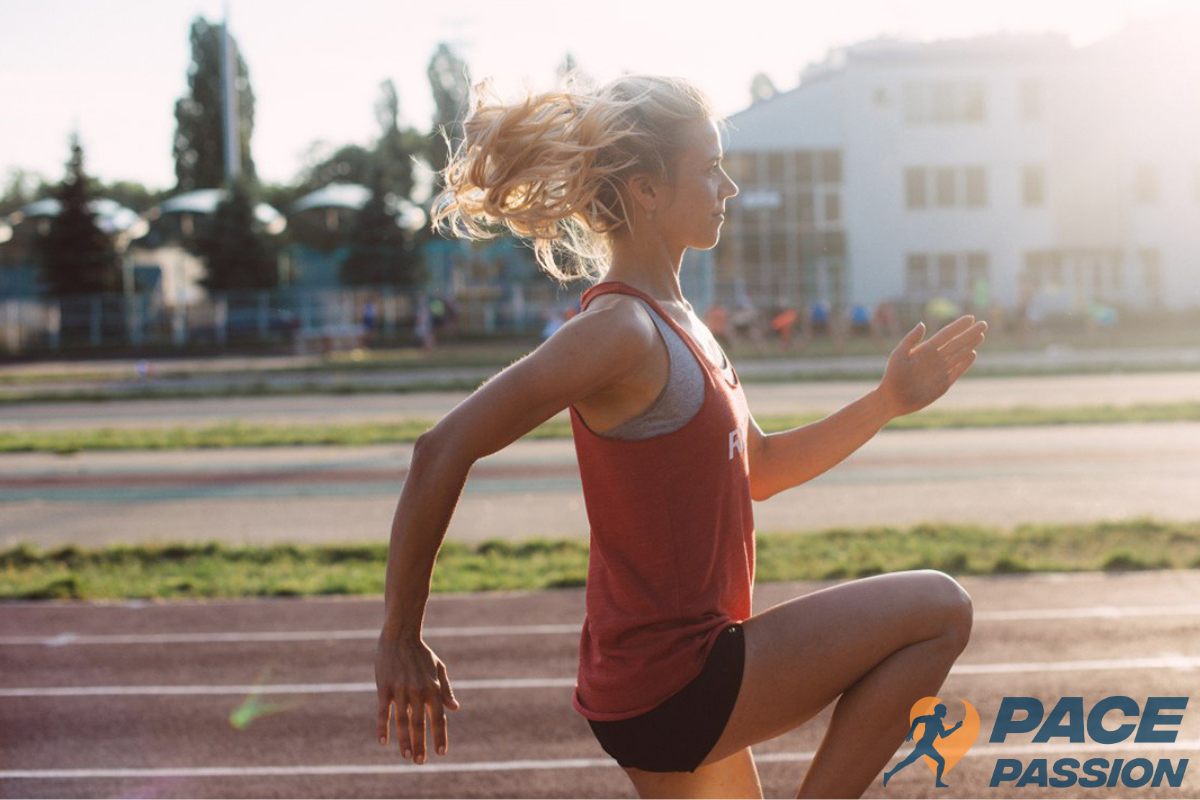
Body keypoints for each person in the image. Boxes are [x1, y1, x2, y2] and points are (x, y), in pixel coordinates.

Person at [373, 74, 987, 798]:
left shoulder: (678, 321)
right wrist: (400, 637)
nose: (727, 187)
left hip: (652, 687)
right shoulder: (619, 331)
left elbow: (758, 467)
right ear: (647, 190)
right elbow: (440, 448)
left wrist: (886, 402)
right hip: (679, 677)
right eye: (709, 168)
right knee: (939, 609)